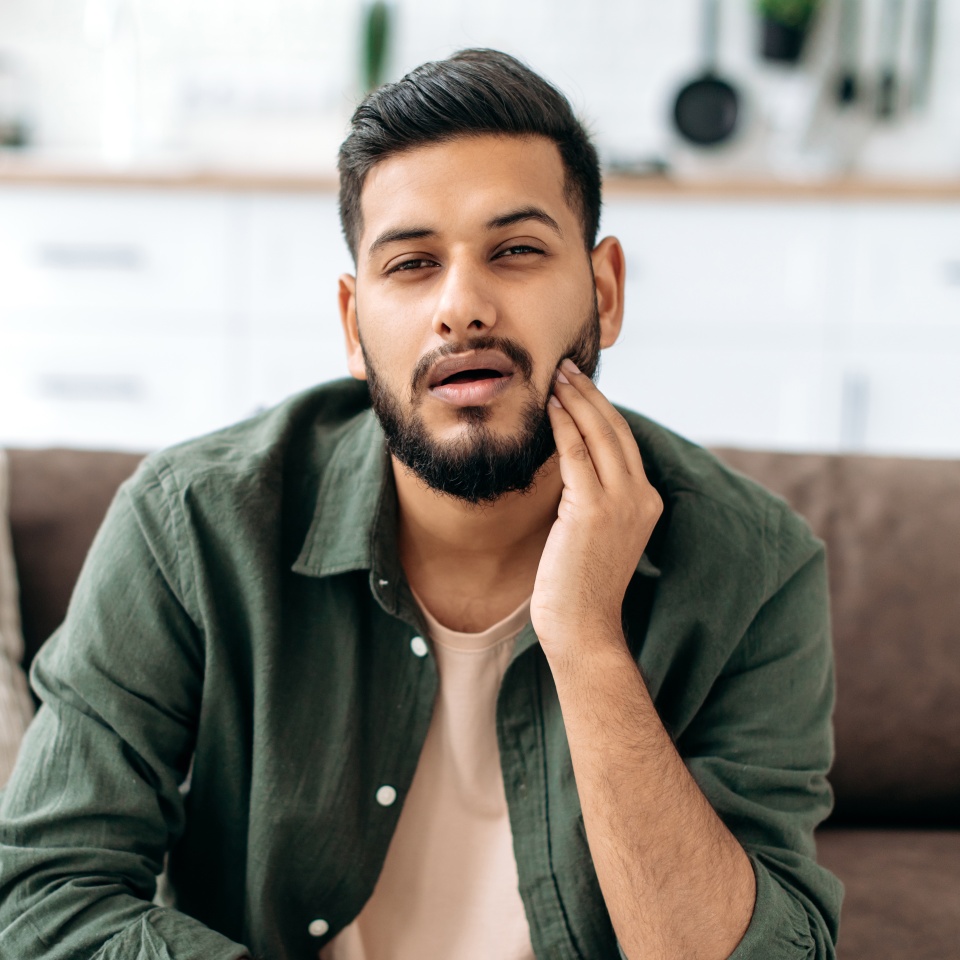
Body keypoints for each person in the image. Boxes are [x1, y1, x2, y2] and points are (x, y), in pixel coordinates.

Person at [0, 49, 842, 960]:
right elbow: (47, 899)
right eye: (411, 264)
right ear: (353, 325)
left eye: (516, 251)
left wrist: (589, 643)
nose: (462, 307)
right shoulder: (189, 525)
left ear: (603, 292)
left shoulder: (755, 565)